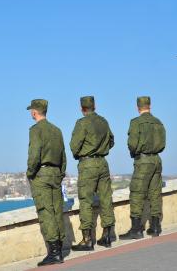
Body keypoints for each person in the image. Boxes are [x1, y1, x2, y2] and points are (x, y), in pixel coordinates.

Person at [69, 96, 116, 251]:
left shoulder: (82, 123)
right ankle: (107, 235)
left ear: (82, 108)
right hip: (103, 163)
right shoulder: (103, 121)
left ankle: (87, 240)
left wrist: (83, 154)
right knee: (106, 199)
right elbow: (111, 141)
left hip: (88, 164)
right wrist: (101, 150)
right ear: (94, 106)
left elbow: (74, 146)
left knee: (86, 201)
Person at [26, 99, 67, 266]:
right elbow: (63, 156)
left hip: (41, 174)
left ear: (34, 112)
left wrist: (30, 172)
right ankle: (59, 247)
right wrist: (60, 173)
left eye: (31, 111)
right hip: (56, 173)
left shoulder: (36, 130)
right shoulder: (56, 130)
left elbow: (34, 154)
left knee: (46, 212)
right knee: (57, 210)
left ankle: (54, 253)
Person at [120, 96, 166, 240]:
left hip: (144, 160)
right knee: (155, 193)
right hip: (157, 160)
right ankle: (156, 227)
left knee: (137, 193)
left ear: (137, 107)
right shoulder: (158, 122)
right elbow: (163, 143)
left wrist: (135, 152)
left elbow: (132, 144)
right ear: (149, 106)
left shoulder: (136, 123)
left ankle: (136, 229)